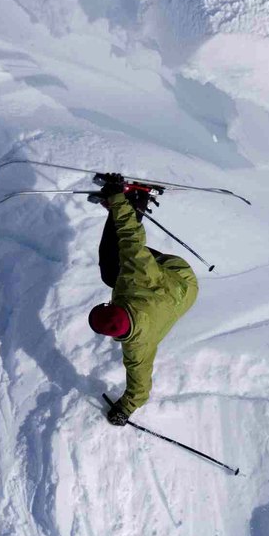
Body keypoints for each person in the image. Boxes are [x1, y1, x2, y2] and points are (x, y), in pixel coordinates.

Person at [88, 173, 199, 426]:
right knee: (115, 256)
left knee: (111, 269)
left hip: (181, 299)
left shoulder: (137, 345)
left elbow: (140, 383)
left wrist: (125, 408)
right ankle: (135, 199)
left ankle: (125, 206)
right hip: (178, 276)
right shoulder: (137, 276)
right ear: (112, 305)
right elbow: (131, 237)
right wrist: (118, 197)